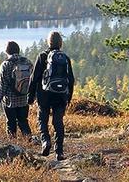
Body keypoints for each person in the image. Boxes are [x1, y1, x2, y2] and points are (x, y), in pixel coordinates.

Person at [31, 31, 75, 161]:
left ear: (48, 42)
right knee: (58, 122)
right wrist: (69, 97)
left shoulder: (42, 56)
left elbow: (34, 78)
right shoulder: (65, 58)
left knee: (42, 120)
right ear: (60, 42)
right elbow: (71, 79)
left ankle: (45, 142)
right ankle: (59, 151)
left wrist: (30, 96)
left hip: (44, 95)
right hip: (61, 95)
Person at [0, 41, 34, 139]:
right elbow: (33, 81)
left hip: (10, 101)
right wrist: (33, 96)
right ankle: (29, 140)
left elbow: (2, 85)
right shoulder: (27, 62)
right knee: (23, 121)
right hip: (24, 99)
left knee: (11, 123)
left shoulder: (5, 65)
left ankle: (13, 145)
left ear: (7, 51)